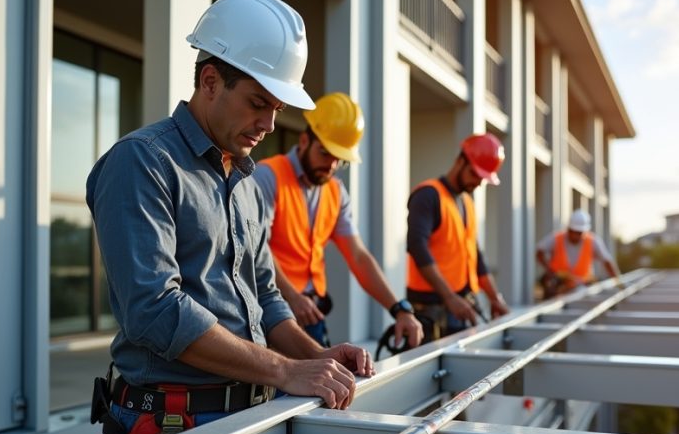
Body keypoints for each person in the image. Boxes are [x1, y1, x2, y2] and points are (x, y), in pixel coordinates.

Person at [85, 0, 373, 434]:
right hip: (172, 433)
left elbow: (266, 299)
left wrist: (313, 358)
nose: (267, 123)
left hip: (252, 419)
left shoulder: (245, 182)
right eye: (258, 103)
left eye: (277, 109)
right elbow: (155, 310)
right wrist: (285, 371)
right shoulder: (143, 162)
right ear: (211, 81)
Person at [252, 92, 424, 350]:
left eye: (339, 159)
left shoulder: (336, 192)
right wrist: (292, 296)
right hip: (269, 314)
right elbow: (256, 246)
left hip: (312, 315)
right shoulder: (268, 176)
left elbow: (358, 256)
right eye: (325, 153)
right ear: (304, 140)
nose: (331, 165)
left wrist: (399, 309)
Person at [406, 133, 511, 343]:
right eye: (475, 174)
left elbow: (475, 257)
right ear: (460, 160)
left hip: (460, 306)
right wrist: (449, 297)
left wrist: (494, 298)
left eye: (482, 178)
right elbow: (417, 247)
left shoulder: (467, 203)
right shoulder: (428, 196)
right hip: (431, 310)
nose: (478, 182)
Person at [535, 208, 623, 297]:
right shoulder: (557, 238)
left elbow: (607, 261)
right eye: (573, 232)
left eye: (578, 233)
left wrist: (618, 281)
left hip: (582, 285)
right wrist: (550, 270)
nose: (575, 236)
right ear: (569, 229)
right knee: (548, 286)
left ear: (584, 232)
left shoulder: (593, 241)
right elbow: (539, 252)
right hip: (558, 283)